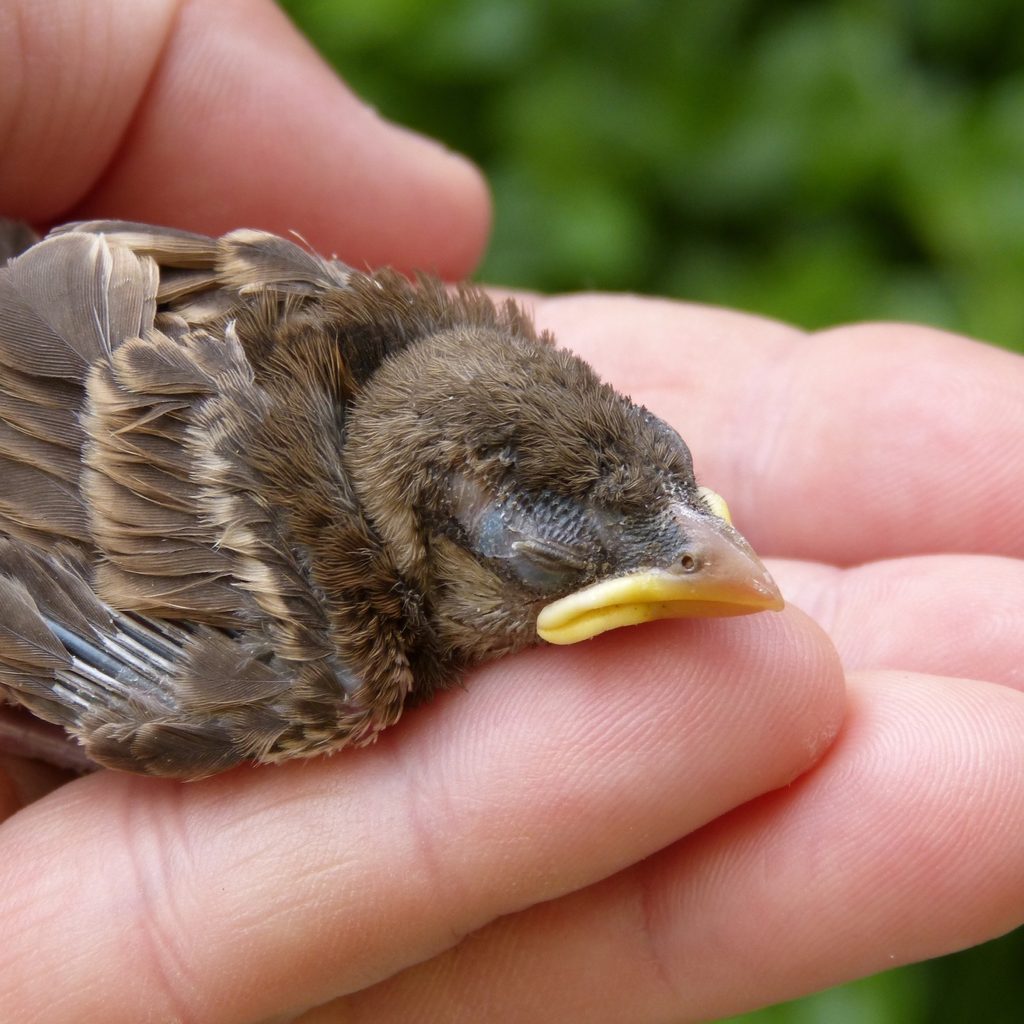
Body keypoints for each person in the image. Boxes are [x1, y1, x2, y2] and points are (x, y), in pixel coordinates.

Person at [2, 2, 1023, 1021]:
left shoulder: (360, 331)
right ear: (440, 558)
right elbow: (72, 631)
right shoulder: (328, 651)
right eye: (540, 564)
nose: (712, 553)